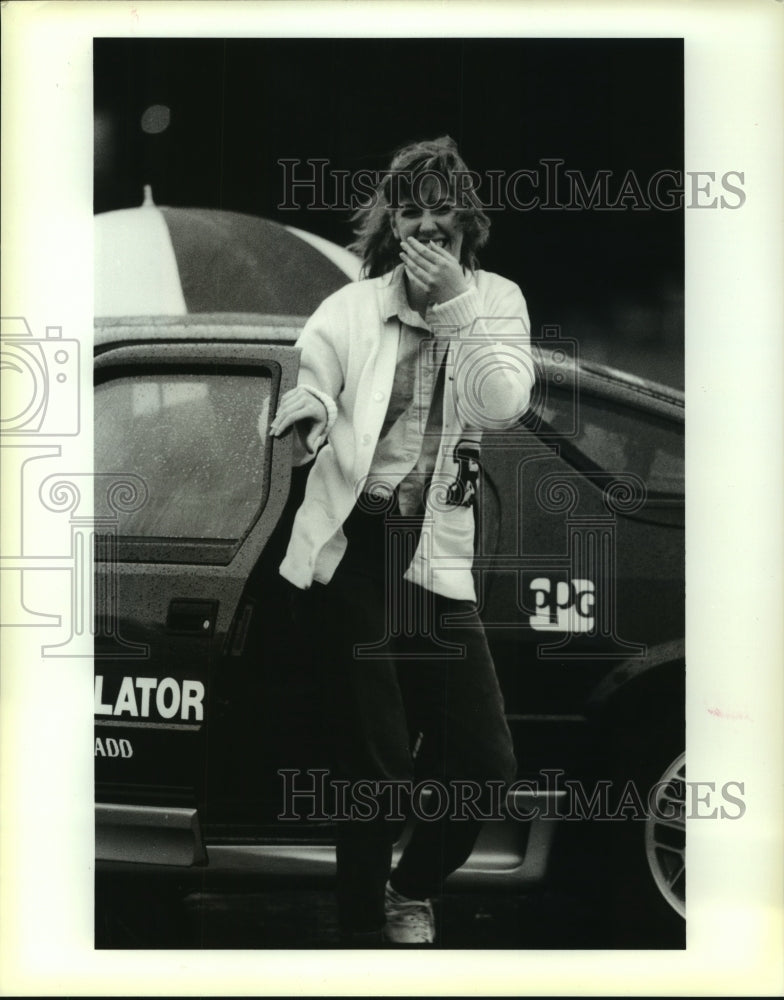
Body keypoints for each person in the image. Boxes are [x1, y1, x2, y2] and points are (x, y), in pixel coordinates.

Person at [269, 136, 534, 946]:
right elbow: (309, 378)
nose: (427, 224)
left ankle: (408, 887)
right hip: (357, 546)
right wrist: (310, 413)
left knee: (486, 766)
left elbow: (503, 405)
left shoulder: (499, 301)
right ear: (392, 224)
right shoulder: (349, 309)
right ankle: (358, 935)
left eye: (442, 209)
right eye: (411, 209)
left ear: (467, 222)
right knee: (376, 766)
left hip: (436, 552)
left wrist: (457, 305)